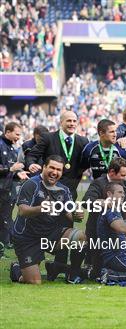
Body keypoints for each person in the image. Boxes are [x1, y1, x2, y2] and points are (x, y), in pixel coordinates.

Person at [10, 155, 86, 284]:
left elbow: (69, 213)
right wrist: (42, 208)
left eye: (59, 170)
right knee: (34, 282)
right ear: (44, 167)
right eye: (52, 167)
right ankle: (17, 269)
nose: (55, 172)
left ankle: (73, 273)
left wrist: (76, 215)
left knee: (80, 236)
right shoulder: (31, 184)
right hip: (27, 238)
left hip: (50, 234)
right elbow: (22, 211)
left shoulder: (64, 190)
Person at [25, 111, 89, 200]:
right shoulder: (48, 138)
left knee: (68, 214)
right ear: (61, 122)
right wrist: (31, 164)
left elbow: (86, 163)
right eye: (69, 121)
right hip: (48, 190)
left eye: (74, 121)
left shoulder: (83, 141)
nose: (72, 124)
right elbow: (32, 155)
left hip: (71, 191)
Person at [81, 119, 126, 195]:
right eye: (112, 132)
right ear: (101, 133)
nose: (115, 134)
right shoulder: (89, 149)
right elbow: (81, 169)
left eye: (115, 131)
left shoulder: (123, 149)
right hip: (98, 191)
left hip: (120, 192)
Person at [0, 122, 28, 255]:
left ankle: (5, 244)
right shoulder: (0, 145)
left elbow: (11, 170)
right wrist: (11, 169)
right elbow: (7, 168)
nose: (18, 137)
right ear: (8, 132)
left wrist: (18, 173)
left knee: (5, 217)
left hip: (6, 190)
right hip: (2, 189)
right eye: (17, 134)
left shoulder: (12, 149)